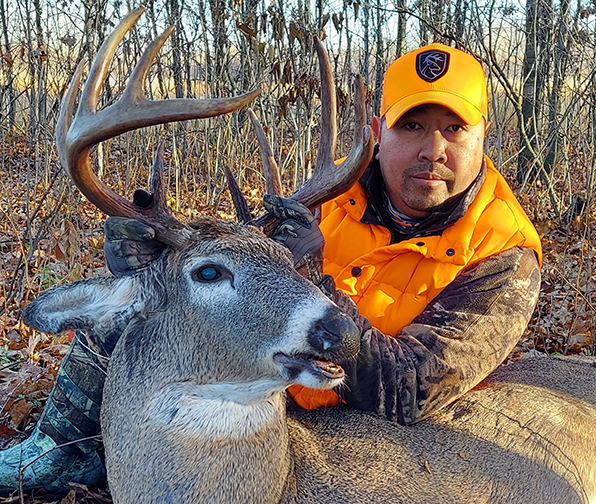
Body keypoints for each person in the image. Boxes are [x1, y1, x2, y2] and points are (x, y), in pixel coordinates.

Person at [0, 42, 541, 495]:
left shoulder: (504, 252)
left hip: (362, 417)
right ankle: (61, 446)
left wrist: (314, 277)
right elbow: (232, 263)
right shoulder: (330, 193)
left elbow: (413, 387)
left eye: (454, 129)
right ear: (379, 132)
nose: (433, 149)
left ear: (482, 136)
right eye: (413, 126)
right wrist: (151, 257)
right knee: (148, 305)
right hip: (260, 375)